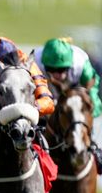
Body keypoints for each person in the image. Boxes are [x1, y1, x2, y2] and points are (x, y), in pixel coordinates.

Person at [35, 37, 102, 169]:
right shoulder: (35, 63)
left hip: (76, 87)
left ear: (69, 66)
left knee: (86, 110)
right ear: (44, 65)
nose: (56, 75)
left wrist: (89, 110)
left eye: (60, 70)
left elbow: (93, 96)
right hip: (45, 87)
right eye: (51, 69)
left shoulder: (81, 65)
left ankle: (93, 146)